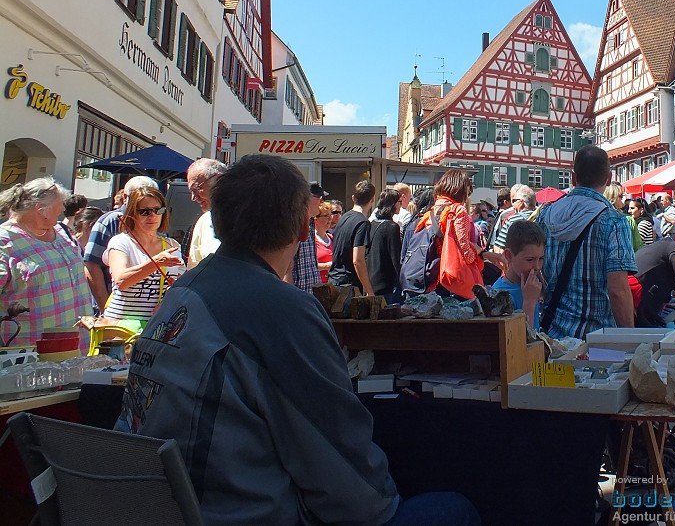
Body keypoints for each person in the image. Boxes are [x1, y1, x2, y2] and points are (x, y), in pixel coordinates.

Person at [116, 154, 480, 526]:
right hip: (238, 512)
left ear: (219, 221)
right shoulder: (280, 309)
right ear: (303, 230)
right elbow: (347, 477)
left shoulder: (180, 294)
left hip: (160, 506)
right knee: (456, 508)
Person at [537, 146, 636, 339]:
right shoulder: (614, 221)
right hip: (596, 338)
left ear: (573, 178)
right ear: (608, 179)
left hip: (550, 335)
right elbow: (618, 290)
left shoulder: (545, 214)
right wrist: (629, 341)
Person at [0, 178, 94, 347]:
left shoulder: (62, 233)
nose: (63, 210)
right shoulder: (5, 242)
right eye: (59, 208)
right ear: (41, 210)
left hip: (78, 350)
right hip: (29, 359)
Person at [102, 187, 185, 325]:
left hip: (157, 327)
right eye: (144, 212)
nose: (152, 216)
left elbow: (181, 284)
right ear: (132, 213)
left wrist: (170, 301)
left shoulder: (172, 245)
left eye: (158, 210)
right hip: (121, 328)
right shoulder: (121, 242)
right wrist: (156, 262)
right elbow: (121, 281)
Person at [83, 175, 159, 312]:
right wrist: (104, 307)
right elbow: (91, 266)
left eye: (156, 208)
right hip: (118, 310)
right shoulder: (110, 222)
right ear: (125, 198)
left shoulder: (155, 221)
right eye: (143, 209)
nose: (151, 213)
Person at [427, 169, 484, 299]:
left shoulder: (433, 210)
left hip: (431, 274)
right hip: (449, 277)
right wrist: (477, 252)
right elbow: (465, 251)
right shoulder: (458, 210)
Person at [492, 220, 546, 328]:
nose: (537, 267)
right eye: (530, 259)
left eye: (541, 258)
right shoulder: (500, 296)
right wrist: (529, 302)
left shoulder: (530, 284)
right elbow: (519, 340)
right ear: (509, 255)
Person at [329, 180, 376, 295]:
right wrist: (369, 290)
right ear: (372, 199)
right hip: (348, 287)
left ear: (353, 198)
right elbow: (358, 260)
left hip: (334, 281)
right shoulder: (362, 223)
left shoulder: (344, 217)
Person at [186, 158, 227, 264]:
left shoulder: (251, 216)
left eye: (196, 189)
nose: (193, 198)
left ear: (219, 179)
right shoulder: (204, 221)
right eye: (191, 192)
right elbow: (194, 267)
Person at [289, 183, 328, 293]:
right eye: (319, 198)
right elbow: (287, 267)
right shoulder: (295, 224)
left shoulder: (311, 223)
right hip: (298, 294)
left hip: (311, 294)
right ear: (307, 197)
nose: (321, 202)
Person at [368, 189, 403, 302]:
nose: (401, 205)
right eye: (399, 202)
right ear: (393, 204)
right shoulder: (392, 227)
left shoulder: (371, 224)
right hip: (386, 284)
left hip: (371, 281)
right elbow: (395, 257)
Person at [490, 185, 535, 254]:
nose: (512, 204)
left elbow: (499, 249)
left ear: (521, 202)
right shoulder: (542, 218)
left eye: (514, 200)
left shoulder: (512, 220)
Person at [313, 202, 335, 282]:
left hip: (331, 286)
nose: (330, 219)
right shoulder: (311, 240)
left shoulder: (331, 238)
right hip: (316, 286)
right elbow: (308, 265)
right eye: (326, 216)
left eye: (330, 215)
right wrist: (326, 266)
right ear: (315, 219)